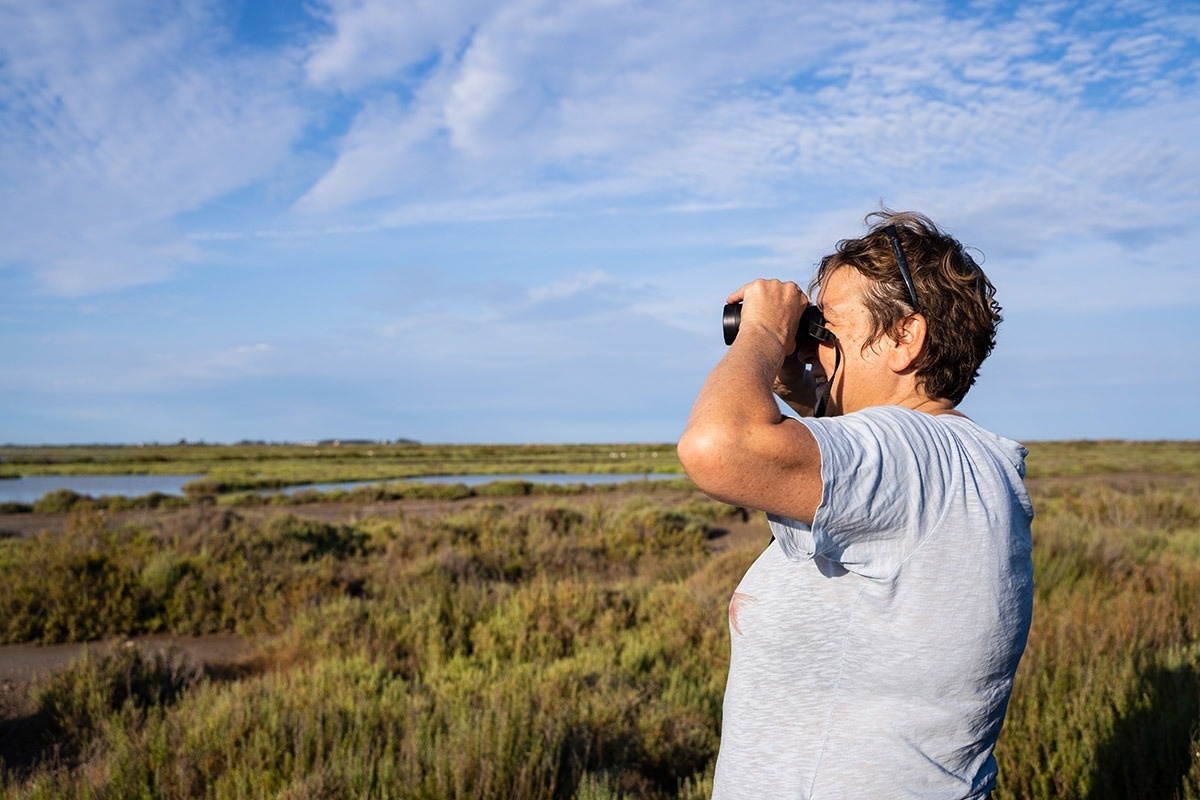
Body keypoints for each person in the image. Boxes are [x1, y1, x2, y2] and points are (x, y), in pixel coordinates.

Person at [677, 210, 1034, 799]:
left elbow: (717, 445)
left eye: (830, 328)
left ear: (905, 337)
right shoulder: (965, 461)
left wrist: (763, 335)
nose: (816, 347)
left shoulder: (911, 454)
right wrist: (808, 389)